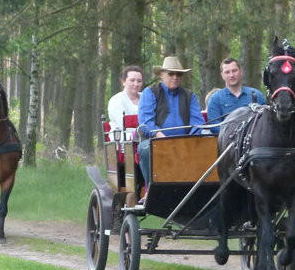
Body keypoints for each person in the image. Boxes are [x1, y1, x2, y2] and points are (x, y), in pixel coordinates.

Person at [137, 56, 204, 197]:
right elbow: (146, 122)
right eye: (170, 73)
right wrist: (162, 138)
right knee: (144, 150)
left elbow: (197, 123)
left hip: (186, 142)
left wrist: (188, 141)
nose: (175, 77)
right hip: (156, 141)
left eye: (178, 74)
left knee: (206, 148)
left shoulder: (190, 96)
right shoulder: (149, 93)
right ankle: (152, 188)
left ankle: (197, 190)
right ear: (161, 75)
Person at [206, 57, 265, 135]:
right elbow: (215, 127)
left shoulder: (257, 95)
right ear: (222, 75)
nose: (232, 75)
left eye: (234, 71)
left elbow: (265, 122)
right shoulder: (215, 99)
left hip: (254, 143)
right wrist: (237, 133)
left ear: (241, 71)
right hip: (226, 145)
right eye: (227, 72)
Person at [107, 65, 143, 134]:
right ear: (123, 81)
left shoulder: (145, 98)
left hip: (147, 137)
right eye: (132, 80)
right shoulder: (116, 100)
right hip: (123, 140)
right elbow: (123, 125)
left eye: (139, 81)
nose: (136, 84)